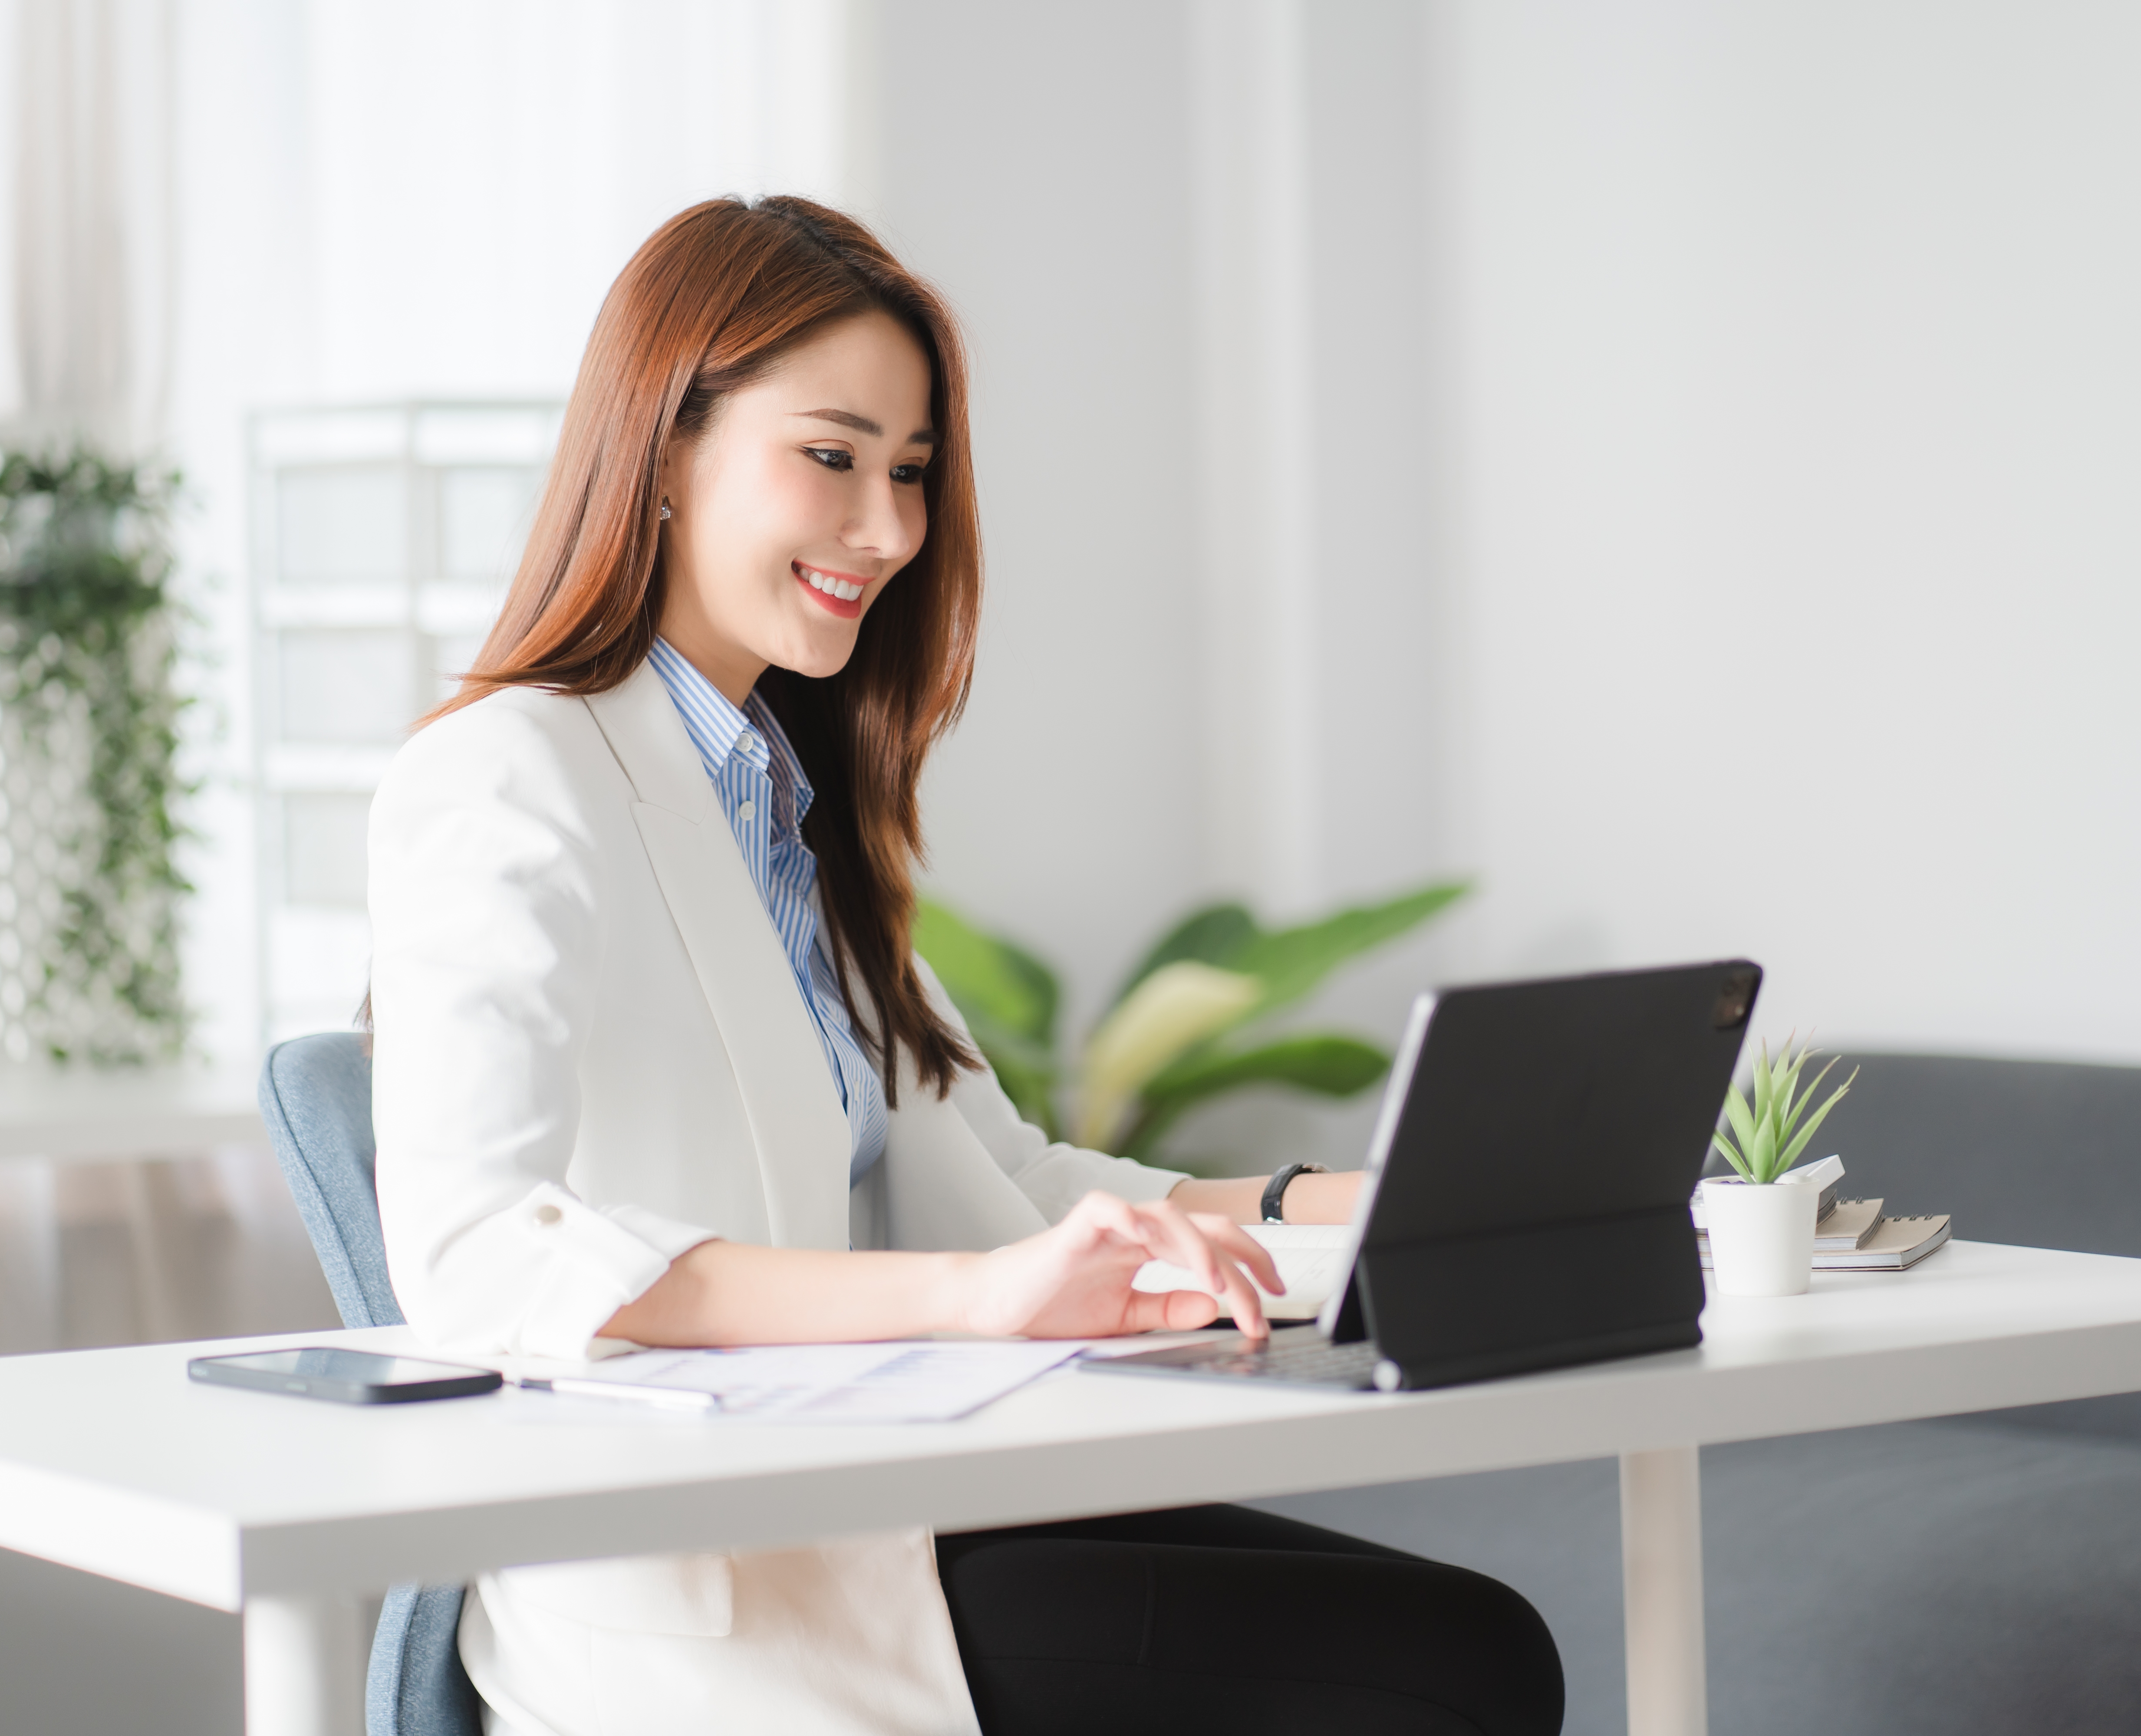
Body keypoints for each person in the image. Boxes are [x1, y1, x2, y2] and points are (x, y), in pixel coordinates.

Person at [368, 194, 1563, 1736]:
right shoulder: (510, 772)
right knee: (1458, 1667)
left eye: (912, 473)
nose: (888, 529)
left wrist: (1366, 1201)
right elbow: (471, 1254)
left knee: (1471, 1639)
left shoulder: (785, 804)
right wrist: (972, 1297)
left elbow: (1013, 1182)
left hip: (916, 1504)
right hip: (707, 1584)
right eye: (834, 457)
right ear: (665, 450)